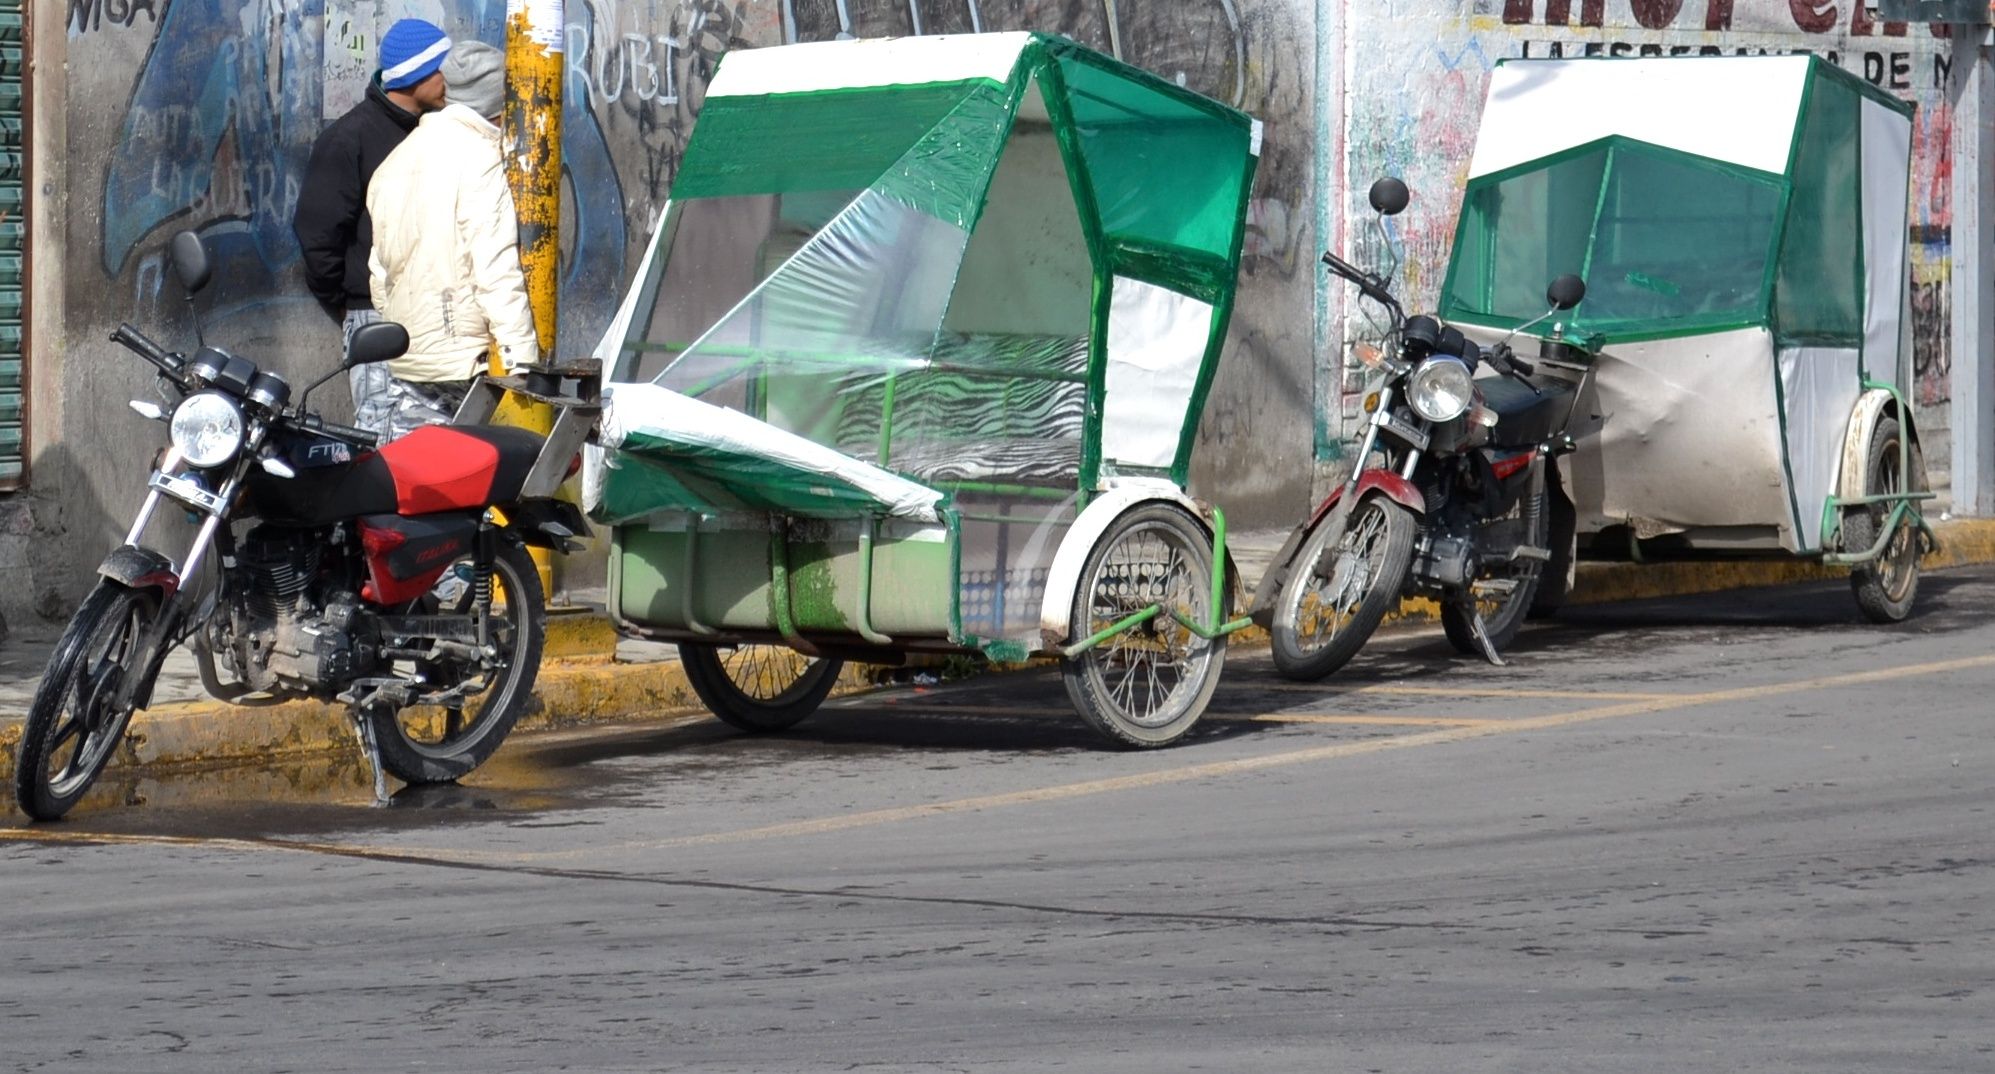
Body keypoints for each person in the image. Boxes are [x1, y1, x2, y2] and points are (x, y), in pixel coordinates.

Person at [367, 40, 541, 442]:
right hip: (462, 363)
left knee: (417, 483)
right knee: (477, 483)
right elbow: (495, 267)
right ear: (500, 105)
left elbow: (379, 274)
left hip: (406, 358)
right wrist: (523, 361)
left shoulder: (394, 161)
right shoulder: (480, 156)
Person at [292, 18, 452, 436]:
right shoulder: (349, 140)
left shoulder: (440, 132)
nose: (448, 78)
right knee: (387, 441)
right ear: (417, 74)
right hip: (376, 321)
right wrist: (350, 305)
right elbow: (318, 236)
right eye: (440, 66)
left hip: (435, 319)